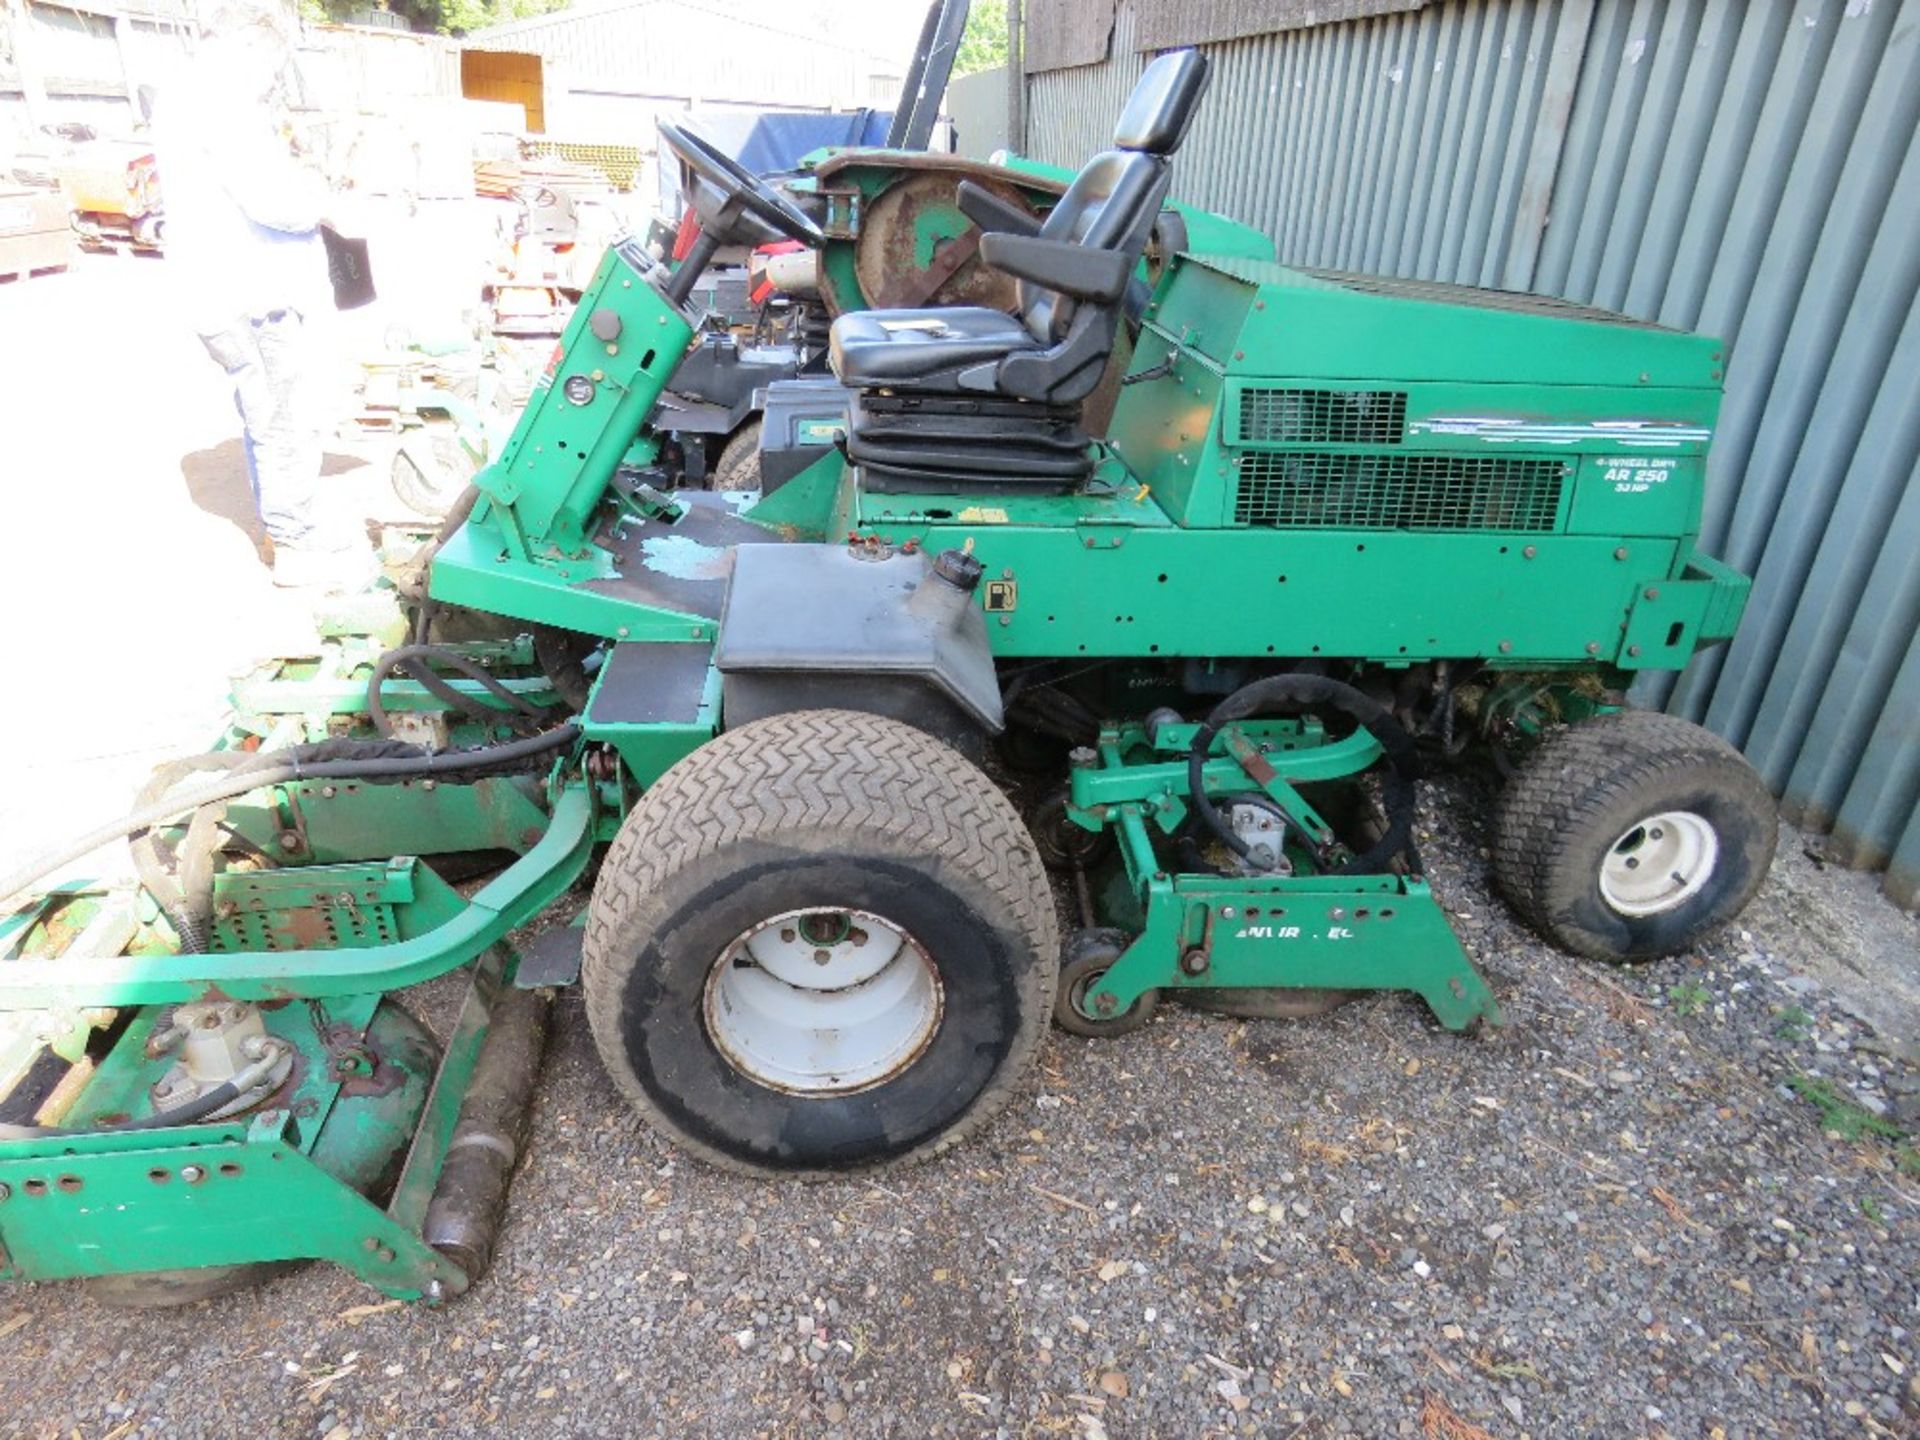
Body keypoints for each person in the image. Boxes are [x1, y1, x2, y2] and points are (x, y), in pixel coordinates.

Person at [153, 2, 372, 589]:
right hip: (250, 291)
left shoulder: (181, 95)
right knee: (283, 415)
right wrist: (329, 208)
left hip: (219, 287)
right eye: (271, 69)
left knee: (264, 413)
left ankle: (286, 526)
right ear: (248, 48)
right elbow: (272, 198)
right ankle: (296, 543)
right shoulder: (222, 102)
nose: (270, 82)